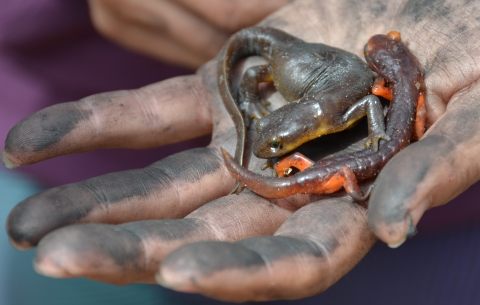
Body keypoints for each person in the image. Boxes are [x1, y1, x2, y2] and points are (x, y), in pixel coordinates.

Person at [3, 0, 480, 303]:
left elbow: (374, 105)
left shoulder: (340, 117)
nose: (272, 153)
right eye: (275, 147)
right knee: (200, 272)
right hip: (70, 74)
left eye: (277, 148)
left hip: (453, 225)